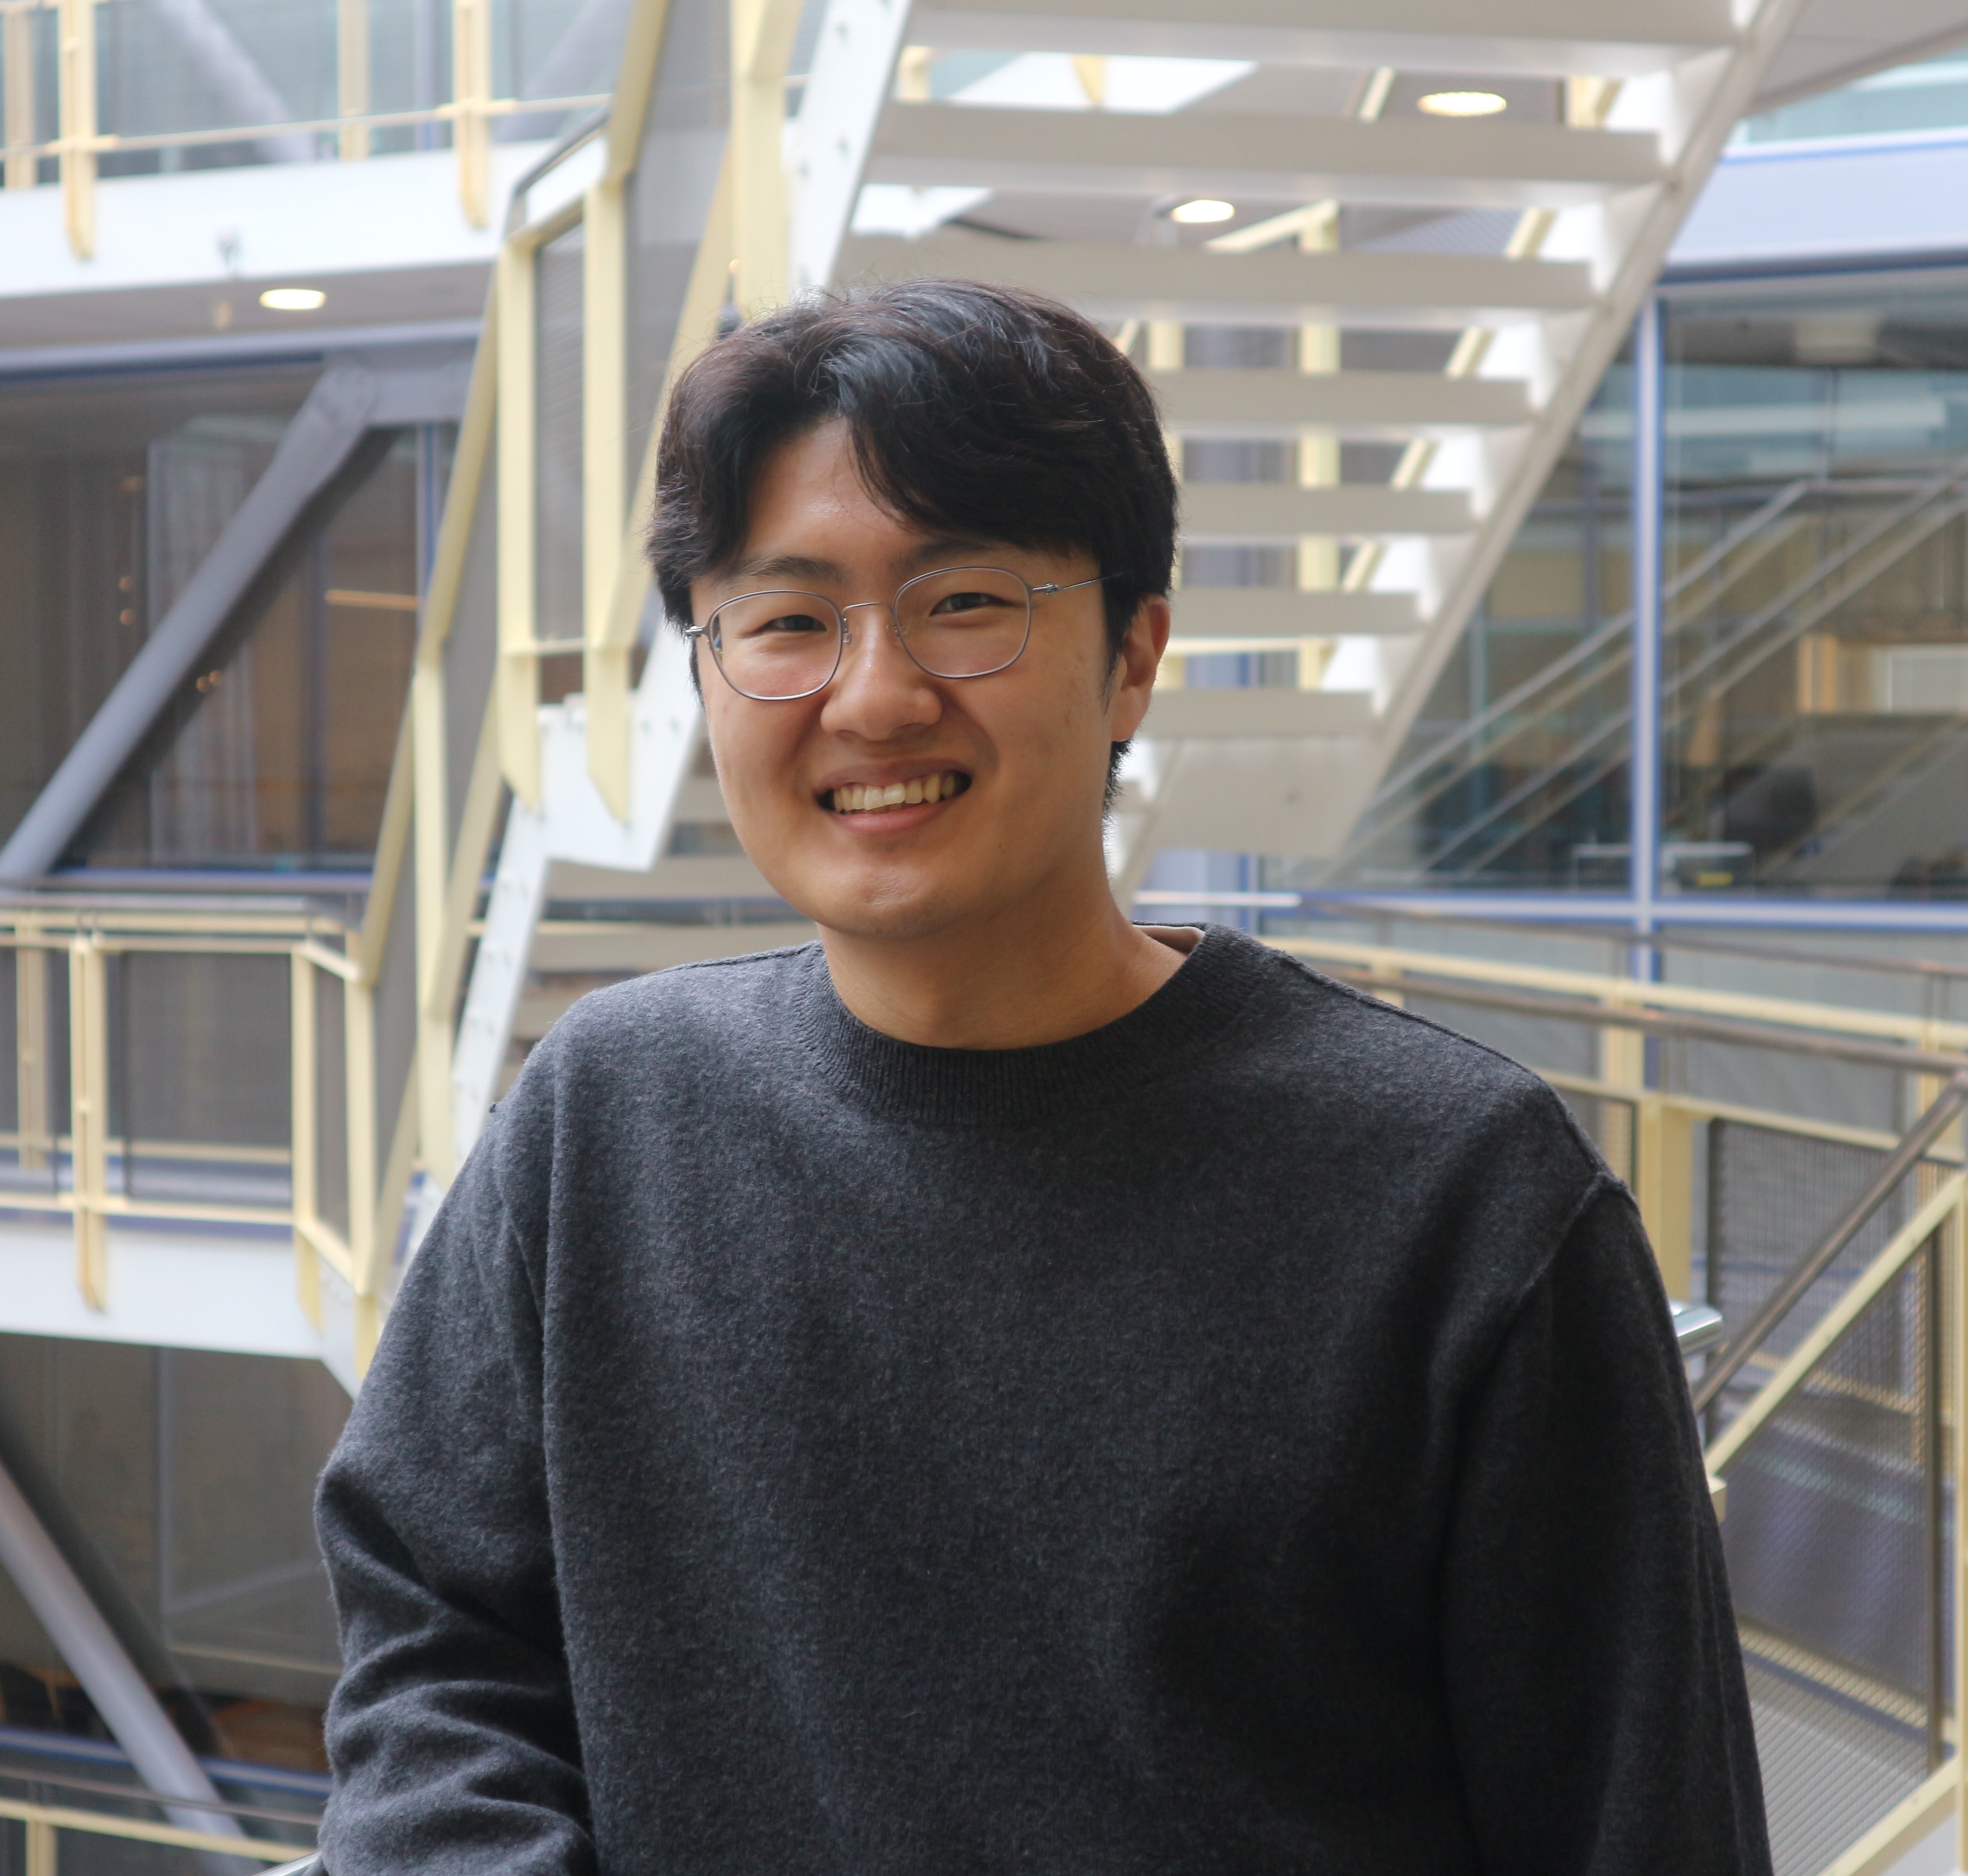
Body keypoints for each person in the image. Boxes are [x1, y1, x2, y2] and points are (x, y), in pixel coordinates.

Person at [314, 278, 1769, 1876]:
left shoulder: (1461, 1196)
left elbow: (1639, 1819)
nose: (873, 697)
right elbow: (439, 1647)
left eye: (965, 603)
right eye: (789, 621)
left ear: (1133, 657)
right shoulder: (605, 1118)